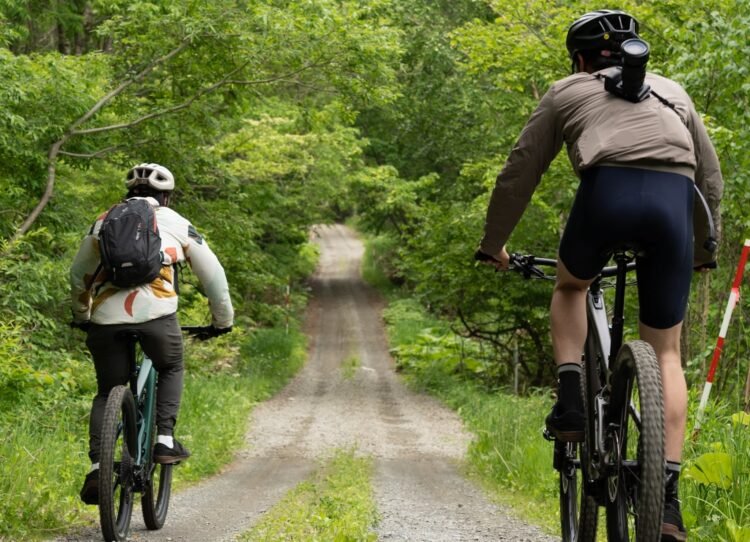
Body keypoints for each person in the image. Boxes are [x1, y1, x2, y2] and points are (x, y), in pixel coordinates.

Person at [476, 10, 723, 541]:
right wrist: (706, 249)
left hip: (605, 195)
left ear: (581, 59)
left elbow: (520, 170)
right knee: (667, 352)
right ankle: (668, 503)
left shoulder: (569, 90)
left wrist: (494, 244)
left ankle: (570, 397)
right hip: (673, 203)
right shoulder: (675, 91)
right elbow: (709, 176)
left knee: (571, 285)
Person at [70, 163, 234, 505]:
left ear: (128, 194)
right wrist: (222, 322)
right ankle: (164, 439)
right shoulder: (175, 222)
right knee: (171, 366)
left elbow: (78, 275)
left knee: (106, 392)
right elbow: (214, 277)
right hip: (158, 316)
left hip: (106, 320)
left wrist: (83, 315)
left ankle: (99, 467)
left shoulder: (103, 220)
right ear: (167, 196)